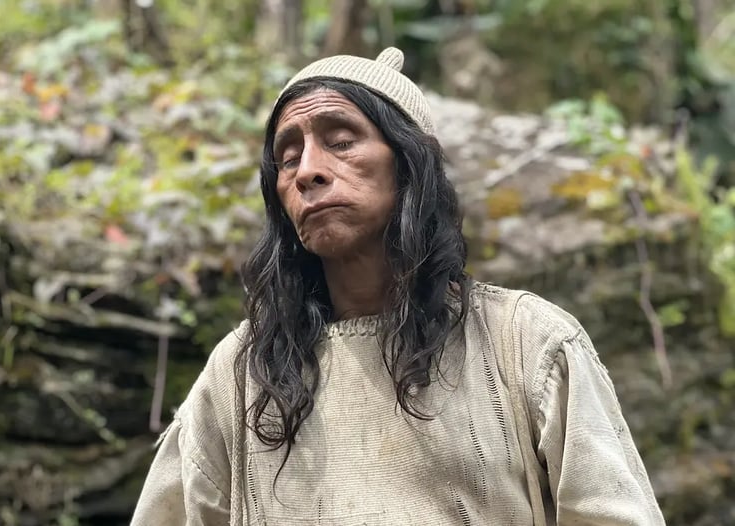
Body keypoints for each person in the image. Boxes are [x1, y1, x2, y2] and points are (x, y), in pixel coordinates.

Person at [131, 47, 665, 525]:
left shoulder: (527, 346)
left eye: (341, 141)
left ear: (410, 165)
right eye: (288, 157)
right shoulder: (240, 375)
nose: (307, 171)